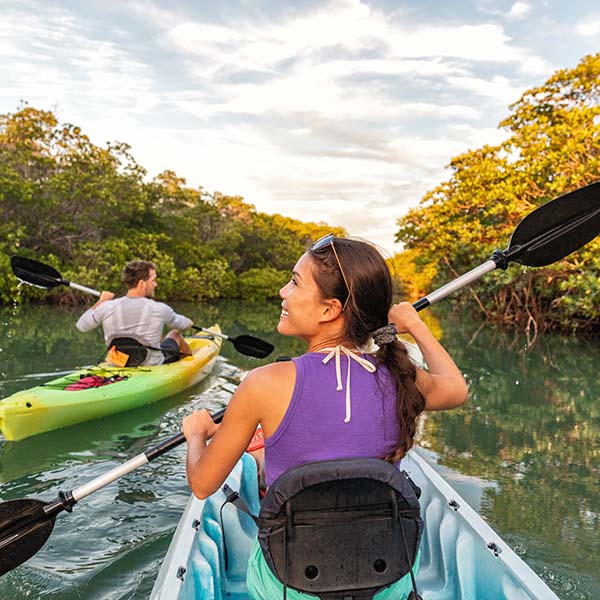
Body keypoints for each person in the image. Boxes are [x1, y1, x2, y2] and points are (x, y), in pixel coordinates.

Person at [182, 235, 468, 599]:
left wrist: (196, 434)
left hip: (290, 586)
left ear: (330, 309)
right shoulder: (401, 377)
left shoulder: (264, 383)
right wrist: (414, 325)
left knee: (259, 461)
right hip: (384, 583)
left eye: (295, 282)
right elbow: (457, 388)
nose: (283, 292)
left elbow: (203, 484)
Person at [76, 260, 193, 366]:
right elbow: (181, 324)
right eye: (153, 280)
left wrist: (101, 301)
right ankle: (192, 364)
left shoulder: (107, 306)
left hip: (117, 363)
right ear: (142, 283)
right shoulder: (160, 309)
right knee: (175, 334)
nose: (155, 284)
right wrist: (189, 322)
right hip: (150, 365)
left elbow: (81, 326)